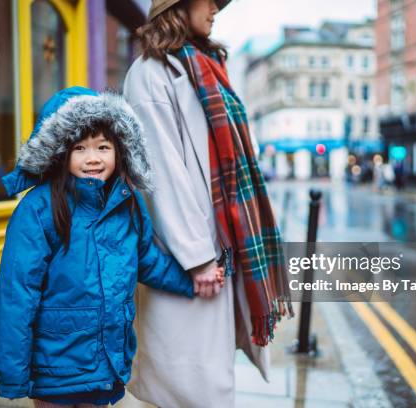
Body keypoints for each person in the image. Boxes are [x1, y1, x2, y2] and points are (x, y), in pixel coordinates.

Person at [0, 87, 213, 407]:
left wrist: (192, 279)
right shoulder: (39, 209)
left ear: (119, 150)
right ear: (61, 152)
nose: (93, 158)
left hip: (106, 358)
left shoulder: (127, 201)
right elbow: (17, 292)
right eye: (80, 148)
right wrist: (12, 370)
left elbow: (148, 259)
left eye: (103, 146)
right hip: (55, 364)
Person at [123, 0, 293, 406]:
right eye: (208, 0)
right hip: (189, 260)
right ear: (177, 6)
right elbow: (161, 175)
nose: (216, 8)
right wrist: (197, 256)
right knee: (189, 383)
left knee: (208, 374)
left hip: (220, 247)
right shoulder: (151, 74)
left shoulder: (204, 65)